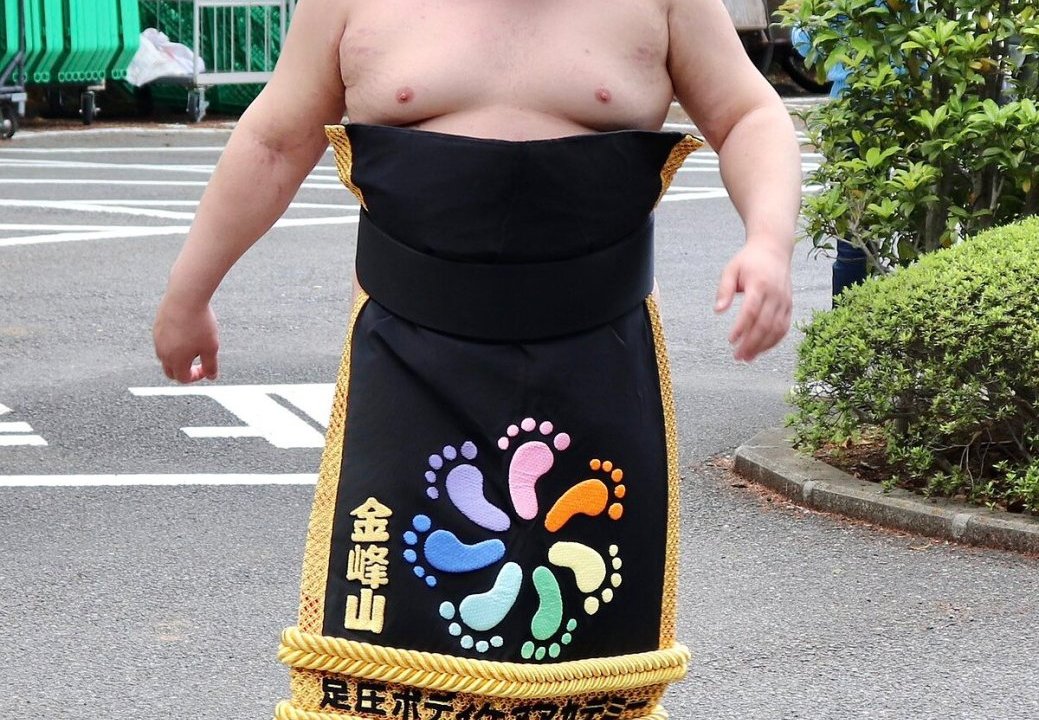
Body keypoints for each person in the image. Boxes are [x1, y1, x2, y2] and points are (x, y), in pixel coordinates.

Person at [153, 0, 800, 716]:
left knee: (585, 647)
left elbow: (747, 115)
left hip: (597, 357)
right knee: (397, 642)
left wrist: (768, 240)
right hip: (408, 359)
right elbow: (276, 140)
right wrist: (190, 292)